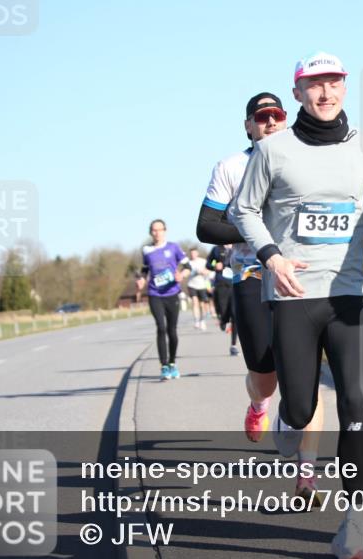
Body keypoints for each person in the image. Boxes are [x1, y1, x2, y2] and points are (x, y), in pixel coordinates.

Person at [229, 52, 363, 559]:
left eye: (334, 82)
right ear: (298, 93)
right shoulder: (273, 150)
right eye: (314, 84)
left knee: (354, 407)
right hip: (292, 295)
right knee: (299, 409)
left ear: (344, 87)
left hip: (346, 296)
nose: (326, 92)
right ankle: (287, 420)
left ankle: (354, 526)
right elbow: (242, 209)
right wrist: (272, 256)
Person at [197, 92, 327, 506]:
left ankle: (307, 476)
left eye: (277, 116)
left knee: (307, 377)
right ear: (249, 126)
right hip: (251, 275)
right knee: (265, 375)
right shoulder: (231, 167)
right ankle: (259, 402)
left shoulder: (304, 161)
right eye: (261, 117)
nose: (270, 122)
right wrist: (259, 233)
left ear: (286, 121)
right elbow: (206, 226)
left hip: (301, 278)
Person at [136, 219, 190, 380]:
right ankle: (164, 366)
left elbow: (188, 266)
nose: (157, 233)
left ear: (164, 231)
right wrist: (141, 280)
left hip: (172, 293)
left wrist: (182, 275)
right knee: (161, 327)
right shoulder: (146, 250)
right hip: (155, 294)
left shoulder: (174, 247)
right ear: (150, 232)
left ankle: (172, 362)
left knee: (172, 330)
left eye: (159, 229)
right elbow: (145, 269)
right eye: (154, 230)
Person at [207, 244, 239, 354]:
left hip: (236, 283)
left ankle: (233, 345)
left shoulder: (238, 246)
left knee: (235, 314)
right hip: (221, 285)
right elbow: (208, 264)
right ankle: (223, 319)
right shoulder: (216, 249)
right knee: (223, 310)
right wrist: (214, 266)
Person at [186, 248, 213, 330]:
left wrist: (204, 272)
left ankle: (202, 320)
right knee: (195, 302)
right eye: (191, 253)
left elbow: (209, 271)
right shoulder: (188, 263)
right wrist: (194, 272)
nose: (193, 255)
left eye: (194, 253)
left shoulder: (203, 261)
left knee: (202, 305)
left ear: (197, 253)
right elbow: (186, 273)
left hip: (202, 285)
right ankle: (196, 321)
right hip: (192, 285)